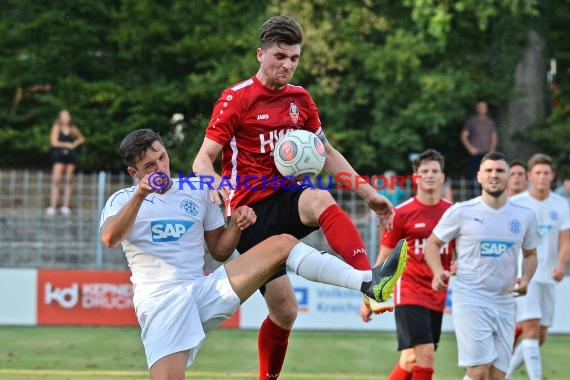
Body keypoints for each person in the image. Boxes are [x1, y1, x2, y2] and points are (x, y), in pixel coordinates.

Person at [100, 129, 407, 380]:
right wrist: (142, 193)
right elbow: (110, 238)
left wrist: (236, 224)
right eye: (149, 166)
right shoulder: (123, 199)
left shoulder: (195, 190)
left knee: (282, 243)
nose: (160, 167)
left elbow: (220, 251)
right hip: (161, 302)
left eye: (162, 158)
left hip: (201, 290)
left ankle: (368, 282)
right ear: (133, 172)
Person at [192, 15, 401, 379]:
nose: (287, 65)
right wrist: (214, 183)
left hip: (289, 197)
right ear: (261, 54)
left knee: (319, 198)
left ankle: (370, 282)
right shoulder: (236, 98)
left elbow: (327, 152)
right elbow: (202, 159)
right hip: (250, 213)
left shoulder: (300, 99)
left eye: (294, 58)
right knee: (286, 312)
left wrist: (369, 194)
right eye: (279, 56)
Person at [425, 152, 538, 380]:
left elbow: (531, 254)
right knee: (477, 372)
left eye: (499, 171)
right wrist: (438, 271)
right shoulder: (462, 211)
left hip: (505, 302)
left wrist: (525, 279)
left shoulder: (525, 216)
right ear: (479, 176)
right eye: (488, 170)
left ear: (508, 176)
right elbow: (432, 244)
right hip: (471, 298)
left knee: (497, 376)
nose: (494, 175)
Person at [360, 149, 455, 380]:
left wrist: (456, 265)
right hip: (409, 292)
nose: (430, 175)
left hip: (437, 294)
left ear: (442, 177)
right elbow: (384, 257)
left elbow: (459, 252)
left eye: (435, 171)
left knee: (411, 360)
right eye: (424, 171)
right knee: (426, 355)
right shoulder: (401, 213)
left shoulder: (453, 213)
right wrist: (368, 298)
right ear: (416, 177)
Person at [506, 154, 570, 380]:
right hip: (525, 274)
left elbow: (565, 239)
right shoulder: (517, 203)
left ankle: (506, 374)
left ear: (552, 176)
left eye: (546, 173)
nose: (542, 177)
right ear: (530, 176)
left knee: (540, 335)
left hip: (549, 275)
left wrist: (561, 265)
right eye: (538, 173)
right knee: (530, 328)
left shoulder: (561, 204)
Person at [46, 109, 85, 216]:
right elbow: (54, 142)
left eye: (67, 116)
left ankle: (65, 206)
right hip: (58, 155)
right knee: (57, 180)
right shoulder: (56, 128)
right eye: (63, 116)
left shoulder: (73, 129)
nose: (65, 118)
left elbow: (81, 139)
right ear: (60, 118)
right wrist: (67, 145)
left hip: (70, 156)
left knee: (68, 180)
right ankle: (53, 206)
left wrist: (75, 144)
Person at [460, 100, 498, 195]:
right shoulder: (471, 121)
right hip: (475, 153)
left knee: (488, 173)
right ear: (476, 108)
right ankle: (474, 194)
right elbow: (464, 136)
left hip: (487, 153)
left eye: (484, 107)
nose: (482, 109)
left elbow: (493, 136)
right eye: (480, 107)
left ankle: (488, 192)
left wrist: (492, 149)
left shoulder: (490, 122)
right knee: (473, 173)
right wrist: (470, 148)